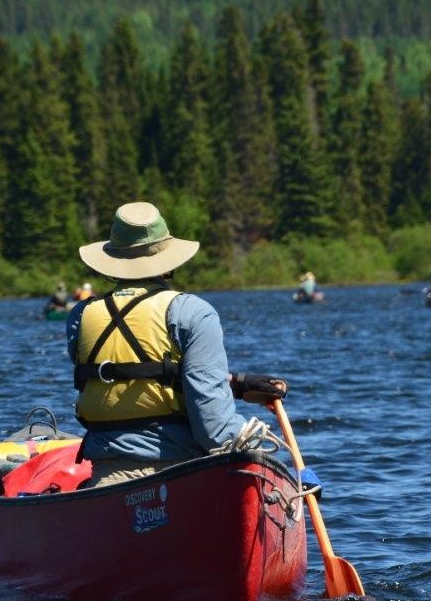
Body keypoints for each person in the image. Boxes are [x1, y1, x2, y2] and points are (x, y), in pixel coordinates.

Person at [67, 201, 287, 488]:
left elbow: (134, 375)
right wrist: (265, 447)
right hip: (183, 476)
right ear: (167, 259)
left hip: (107, 477)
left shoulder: (80, 316)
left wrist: (234, 384)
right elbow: (216, 432)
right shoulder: (193, 312)